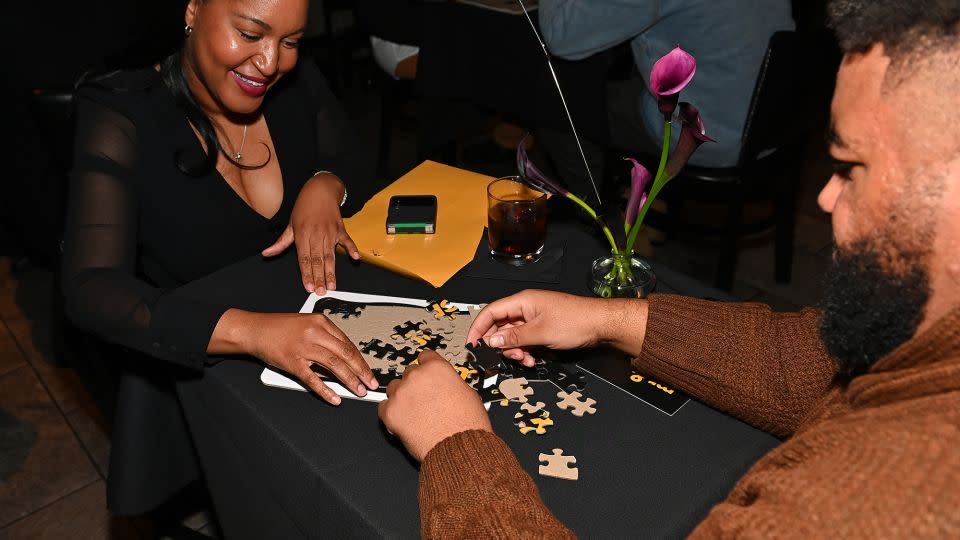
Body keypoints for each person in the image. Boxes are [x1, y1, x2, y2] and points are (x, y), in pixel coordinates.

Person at [377, 1, 960, 536]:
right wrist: (610, 320)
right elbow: (820, 363)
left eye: (852, 166)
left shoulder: (872, 505)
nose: (827, 198)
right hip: (753, 128)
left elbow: (565, 33)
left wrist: (457, 446)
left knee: (562, 108)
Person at [61, 0, 380, 513]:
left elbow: (359, 167)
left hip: (322, 352)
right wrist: (254, 332)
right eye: (250, 33)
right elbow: (90, 289)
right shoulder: (121, 112)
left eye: (291, 42)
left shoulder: (296, 83)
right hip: (215, 381)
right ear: (193, 9)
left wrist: (326, 184)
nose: (271, 62)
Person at [533, 0, 794, 199]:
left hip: (711, 135)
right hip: (774, 122)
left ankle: (600, 224)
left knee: (552, 98)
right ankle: (636, 199)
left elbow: (561, 36)